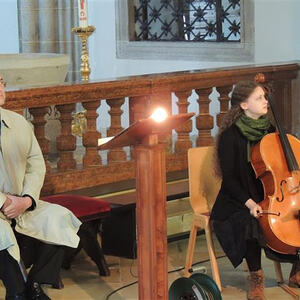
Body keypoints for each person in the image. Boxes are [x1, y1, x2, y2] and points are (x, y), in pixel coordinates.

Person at [210, 80, 300, 300]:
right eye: (259, 98)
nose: (265, 101)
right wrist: (249, 202)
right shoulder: (230, 136)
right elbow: (230, 180)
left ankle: (297, 271)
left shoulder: (269, 130)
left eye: (264, 97)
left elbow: (279, 168)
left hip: (268, 191)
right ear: (243, 105)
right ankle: (255, 276)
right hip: (238, 197)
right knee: (250, 221)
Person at [0, 76, 82, 300]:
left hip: (21, 202)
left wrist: (26, 200)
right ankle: (17, 292)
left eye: (0, 81)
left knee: (58, 217)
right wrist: (5, 203)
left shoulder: (18, 123)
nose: (0, 88)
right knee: (1, 232)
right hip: (3, 208)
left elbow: (35, 164)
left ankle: (35, 284)